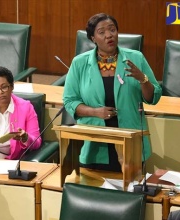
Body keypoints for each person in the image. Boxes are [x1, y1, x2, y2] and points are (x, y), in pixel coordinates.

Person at [63, 13, 162, 172]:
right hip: (95, 141)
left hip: (130, 138)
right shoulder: (79, 63)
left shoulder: (135, 58)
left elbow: (154, 97)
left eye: (112, 30)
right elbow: (70, 101)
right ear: (93, 38)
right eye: (101, 32)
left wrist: (143, 79)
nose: (109, 35)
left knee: (129, 191)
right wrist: (95, 112)